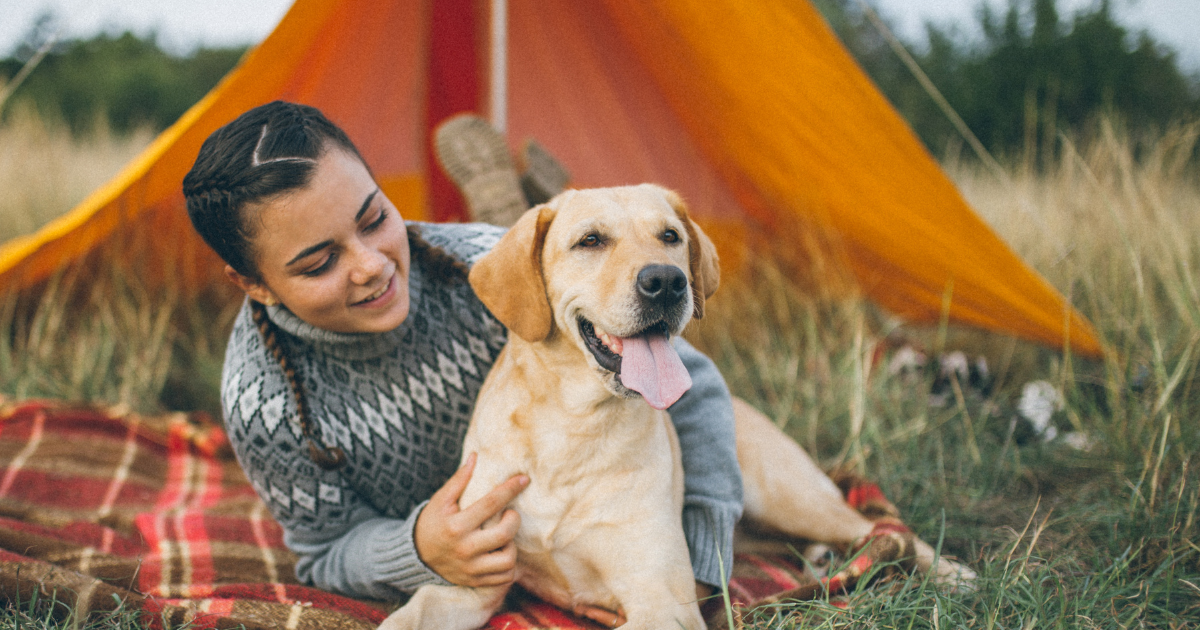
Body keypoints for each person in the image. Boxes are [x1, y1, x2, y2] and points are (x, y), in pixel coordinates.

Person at [182, 101, 742, 622]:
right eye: (321, 262)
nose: (372, 265)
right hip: (462, 524)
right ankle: (519, 194)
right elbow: (326, 551)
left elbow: (693, 387)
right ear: (255, 285)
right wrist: (418, 546)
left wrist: (704, 547)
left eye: (375, 218)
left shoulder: (484, 261)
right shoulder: (264, 403)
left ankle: (520, 200)